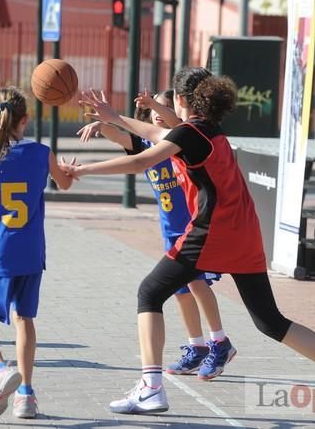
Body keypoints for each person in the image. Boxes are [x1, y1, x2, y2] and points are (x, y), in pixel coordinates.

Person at [63, 68, 315, 422]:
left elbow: (142, 160)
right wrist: (114, 117)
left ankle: (151, 388)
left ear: (181, 101)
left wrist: (82, 171)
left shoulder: (190, 132)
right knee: (270, 322)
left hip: (214, 231)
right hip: (244, 231)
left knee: (149, 293)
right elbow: (154, 131)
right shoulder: (207, 130)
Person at [77, 90, 236, 380]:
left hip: (193, 226)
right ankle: (197, 346)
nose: (158, 116)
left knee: (199, 286)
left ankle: (220, 341)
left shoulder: (181, 141)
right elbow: (123, 139)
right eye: (153, 113)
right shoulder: (147, 145)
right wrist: (103, 125)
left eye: (164, 110)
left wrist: (151, 106)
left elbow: (177, 126)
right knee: (181, 292)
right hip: (170, 229)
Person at [0, 86, 73, 421]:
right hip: (30, 252)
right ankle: (25, 394)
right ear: (25, 119)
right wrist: (66, 170)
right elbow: (65, 184)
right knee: (24, 319)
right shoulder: (42, 153)